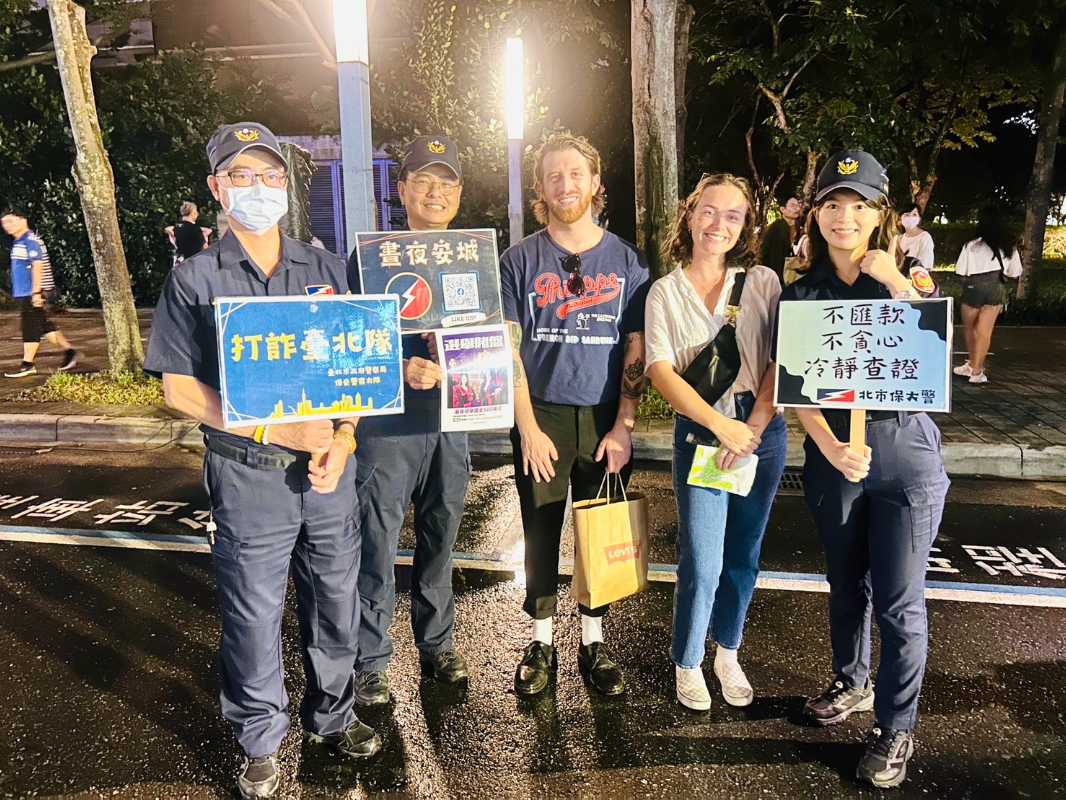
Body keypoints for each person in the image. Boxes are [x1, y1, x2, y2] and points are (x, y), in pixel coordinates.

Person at [144, 122, 380, 800]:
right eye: (242, 176)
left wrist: (344, 437)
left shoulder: (325, 267)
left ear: (287, 187)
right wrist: (280, 431)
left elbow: (355, 372)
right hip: (249, 477)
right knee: (252, 615)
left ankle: (332, 720)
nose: (258, 188)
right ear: (217, 188)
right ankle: (260, 741)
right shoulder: (195, 278)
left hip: (329, 474)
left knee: (336, 601)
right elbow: (178, 388)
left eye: (270, 176)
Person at [783, 150, 948, 790]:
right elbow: (796, 385)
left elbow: (931, 354)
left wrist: (901, 286)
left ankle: (895, 726)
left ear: (880, 214)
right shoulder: (804, 291)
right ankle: (851, 680)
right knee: (845, 583)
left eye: (858, 204)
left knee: (901, 602)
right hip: (835, 458)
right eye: (831, 203)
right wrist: (826, 445)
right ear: (817, 213)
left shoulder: (912, 280)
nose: (843, 216)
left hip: (905, 454)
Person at [501, 131, 650, 697]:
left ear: (596, 184)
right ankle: (540, 640)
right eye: (554, 175)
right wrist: (528, 428)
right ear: (541, 187)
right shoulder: (519, 259)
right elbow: (509, 346)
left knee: (600, 530)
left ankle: (593, 641)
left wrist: (625, 424)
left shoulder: (628, 261)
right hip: (544, 413)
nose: (566, 184)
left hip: (605, 413)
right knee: (541, 528)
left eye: (576, 174)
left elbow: (635, 348)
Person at [644, 174, 786, 712]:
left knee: (744, 553)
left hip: (760, 428)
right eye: (709, 211)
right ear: (690, 215)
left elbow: (782, 357)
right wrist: (720, 426)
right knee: (702, 557)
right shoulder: (665, 290)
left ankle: (727, 649)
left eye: (732, 215)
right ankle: (687, 660)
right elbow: (660, 370)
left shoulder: (763, 282)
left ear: (745, 224)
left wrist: (752, 427)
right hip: (701, 430)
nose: (718, 224)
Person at [345, 134, 471, 708]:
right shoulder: (371, 257)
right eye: (423, 180)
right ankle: (370, 661)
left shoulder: (472, 258)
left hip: (452, 423)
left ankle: (436, 644)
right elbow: (347, 342)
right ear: (402, 190)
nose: (435, 191)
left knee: (440, 538)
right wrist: (398, 365)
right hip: (386, 426)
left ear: (460, 195)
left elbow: (491, 342)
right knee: (376, 543)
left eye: (445, 182)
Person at [1, 209, 77, 378]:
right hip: (28, 292)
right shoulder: (20, 241)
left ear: (23, 220)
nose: (7, 226)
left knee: (30, 328)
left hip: (34, 292)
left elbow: (38, 266)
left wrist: (36, 293)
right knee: (44, 327)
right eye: (5, 223)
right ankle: (70, 351)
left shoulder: (30, 240)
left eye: (11, 221)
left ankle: (27, 364)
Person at [952, 205, 1022, 385]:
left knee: (970, 329)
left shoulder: (972, 245)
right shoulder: (1009, 246)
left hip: (973, 290)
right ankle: (976, 371)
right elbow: (1015, 272)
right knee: (984, 332)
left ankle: (971, 363)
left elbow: (961, 271)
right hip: (996, 290)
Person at [759, 195, 803, 282]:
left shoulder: (797, 227)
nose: (797, 209)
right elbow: (774, 257)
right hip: (774, 274)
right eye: (793, 206)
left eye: (798, 205)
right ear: (783, 209)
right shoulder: (777, 228)